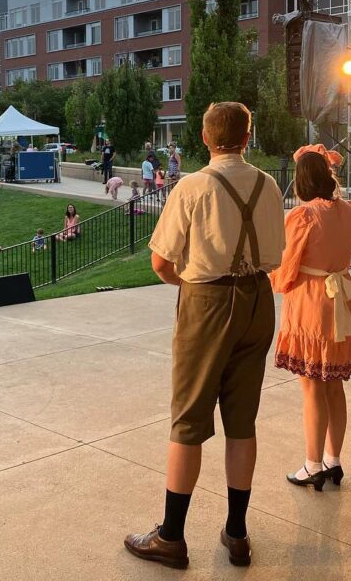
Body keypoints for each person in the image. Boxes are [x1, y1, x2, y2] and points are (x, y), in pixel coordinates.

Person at [125, 102, 285, 570]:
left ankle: (171, 537)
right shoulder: (269, 184)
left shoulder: (192, 186)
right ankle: (237, 532)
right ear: (248, 136)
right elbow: (276, 253)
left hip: (208, 299)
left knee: (189, 420)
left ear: (204, 137)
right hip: (258, 298)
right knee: (242, 419)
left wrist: (192, 286)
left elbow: (160, 262)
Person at [271, 145, 351, 490]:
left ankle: (312, 465)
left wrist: (275, 279)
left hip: (312, 301)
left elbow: (285, 268)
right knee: (334, 386)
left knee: (312, 387)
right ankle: (333, 460)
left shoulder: (302, 216)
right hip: (342, 296)